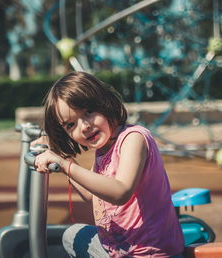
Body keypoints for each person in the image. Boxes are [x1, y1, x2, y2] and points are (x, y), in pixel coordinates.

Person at [33, 71, 184, 258]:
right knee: (71, 235)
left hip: (149, 253)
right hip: (117, 249)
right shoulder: (104, 149)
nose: (84, 126)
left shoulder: (133, 138)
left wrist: (65, 165)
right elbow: (90, 194)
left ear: (104, 103)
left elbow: (120, 192)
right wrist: (61, 157)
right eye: (71, 125)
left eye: (88, 112)